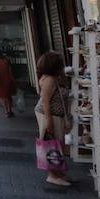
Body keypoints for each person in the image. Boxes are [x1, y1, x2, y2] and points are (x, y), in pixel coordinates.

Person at [34, 51, 72, 189]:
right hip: (49, 115)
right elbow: (45, 102)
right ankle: (53, 175)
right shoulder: (49, 80)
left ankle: (59, 172)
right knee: (52, 144)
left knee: (58, 143)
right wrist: (48, 121)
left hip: (56, 115)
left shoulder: (55, 78)